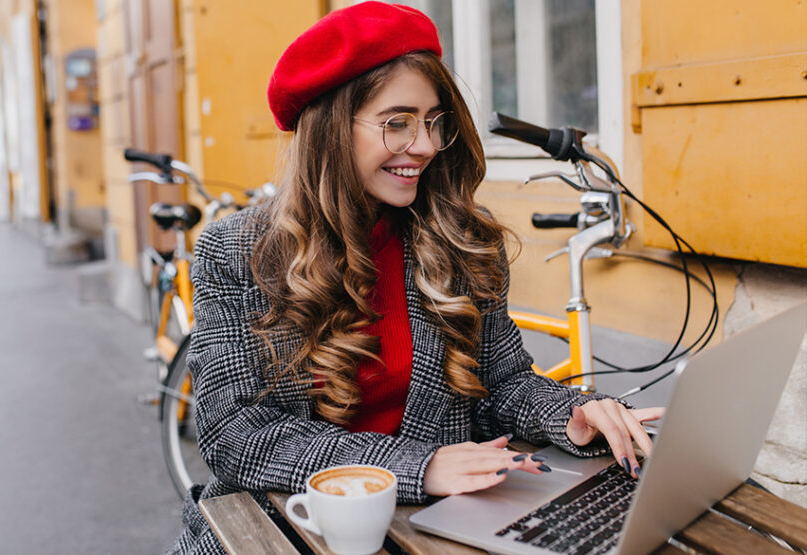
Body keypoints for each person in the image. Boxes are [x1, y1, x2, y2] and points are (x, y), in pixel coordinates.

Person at [168, 3, 661, 553]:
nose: (425, 146)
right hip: (286, 530)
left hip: (435, 529)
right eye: (397, 123)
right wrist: (418, 467)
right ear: (331, 130)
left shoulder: (460, 240)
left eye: (433, 121)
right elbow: (237, 438)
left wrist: (572, 415)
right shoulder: (237, 250)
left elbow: (503, 383)